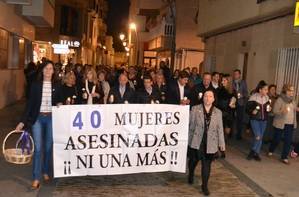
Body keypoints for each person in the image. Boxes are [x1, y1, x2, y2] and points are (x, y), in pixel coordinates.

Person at [15, 61, 62, 189]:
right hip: (37, 119)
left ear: (53, 71)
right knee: (39, 148)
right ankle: (36, 178)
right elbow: (29, 105)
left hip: (51, 118)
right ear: (42, 70)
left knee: (48, 147)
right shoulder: (35, 85)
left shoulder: (57, 85)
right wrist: (22, 121)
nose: (48, 71)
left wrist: (59, 103)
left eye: (51, 68)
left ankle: (45, 170)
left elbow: (59, 99)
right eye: (46, 68)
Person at [188, 90, 225, 196]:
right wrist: (188, 141)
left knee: (206, 165)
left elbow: (220, 130)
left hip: (210, 143)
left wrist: (221, 145)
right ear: (202, 97)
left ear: (213, 99)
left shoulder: (218, 112)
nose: (208, 98)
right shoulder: (195, 109)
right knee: (193, 161)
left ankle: (204, 186)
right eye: (206, 96)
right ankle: (191, 173)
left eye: (210, 96)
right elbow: (191, 127)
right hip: (196, 141)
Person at [268, 84, 298, 164]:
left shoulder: (293, 100)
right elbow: (274, 111)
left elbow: (294, 109)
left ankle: (284, 157)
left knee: (288, 140)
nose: (292, 92)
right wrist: (282, 112)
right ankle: (271, 149)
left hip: (290, 124)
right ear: (286, 91)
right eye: (291, 90)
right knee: (277, 139)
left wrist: (296, 109)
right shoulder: (280, 100)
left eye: (293, 90)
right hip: (281, 123)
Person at [246, 81, 271, 161]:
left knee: (260, 137)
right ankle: (252, 151)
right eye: (265, 89)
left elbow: (268, 108)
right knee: (258, 136)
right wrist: (252, 111)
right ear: (260, 90)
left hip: (264, 120)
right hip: (255, 120)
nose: (267, 91)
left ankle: (256, 153)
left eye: (267, 90)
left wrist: (269, 109)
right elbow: (247, 109)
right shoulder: (253, 97)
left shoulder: (267, 98)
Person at [217, 74, 236, 140]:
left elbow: (234, 106)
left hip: (229, 114)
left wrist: (233, 105)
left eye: (224, 80)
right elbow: (218, 103)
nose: (222, 82)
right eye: (222, 80)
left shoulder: (233, 92)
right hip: (220, 114)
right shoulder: (220, 90)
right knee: (220, 132)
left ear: (229, 82)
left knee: (227, 132)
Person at [232, 69, 248, 140]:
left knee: (240, 119)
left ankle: (239, 134)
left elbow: (246, 93)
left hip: (240, 102)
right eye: (234, 74)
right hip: (232, 102)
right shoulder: (231, 82)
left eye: (237, 74)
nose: (235, 75)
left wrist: (242, 95)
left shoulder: (243, 82)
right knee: (232, 118)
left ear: (239, 75)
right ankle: (231, 133)